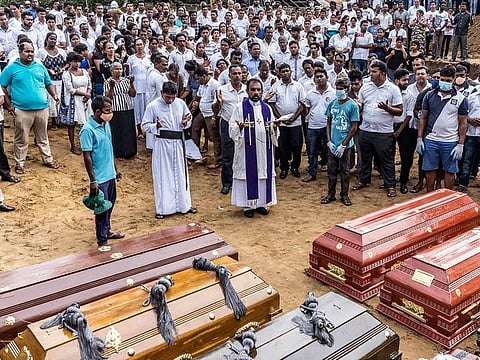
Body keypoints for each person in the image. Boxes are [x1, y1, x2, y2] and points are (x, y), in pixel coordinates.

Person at [0, 41, 60, 174]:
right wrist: (8, 104)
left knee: (43, 136)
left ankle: (47, 159)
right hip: (22, 110)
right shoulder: (11, 68)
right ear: (20, 52)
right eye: (27, 51)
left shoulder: (39, 66)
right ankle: (19, 163)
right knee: (21, 138)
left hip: (42, 108)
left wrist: (54, 94)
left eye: (32, 51)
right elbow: (1, 85)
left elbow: (48, 83)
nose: (30, 54)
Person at [141, 81, 197, 219]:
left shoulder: (180, 103)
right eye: (167, 97)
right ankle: (164, 209)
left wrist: (186, 122)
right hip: (162, 144)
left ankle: (184, 205)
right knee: (163, 175)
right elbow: (145, 125)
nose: (170, 100)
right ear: (162, 93)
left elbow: (187, 118)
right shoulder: (153, 106)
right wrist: (156, 126)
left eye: (173, 97)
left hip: (178, 143)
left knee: (181, 174)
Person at [352, 60, 403, 197]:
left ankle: (390, 185)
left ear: (383, 73)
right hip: (366, 129)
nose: (371, 74)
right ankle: (363, 180)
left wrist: (387, 108)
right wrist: (358, 105)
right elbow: (361, 104)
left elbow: (399, 111)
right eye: (370, 71)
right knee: (365, 158)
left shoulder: (392, 89)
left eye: (374, 72)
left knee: (386, 160)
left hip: (383, 132)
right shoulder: (366, 87)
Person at [79, 95, 124, 247]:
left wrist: (115, 168)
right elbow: (87, 157)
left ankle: (107, 230)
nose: (110, 113)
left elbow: (109, 149)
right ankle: (102, 239)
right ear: (98, 112)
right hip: (100, 177)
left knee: (110, 204)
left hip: (110, 174)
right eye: (107, 110)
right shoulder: (87, 130)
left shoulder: (105, 124)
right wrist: (93, 180)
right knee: (101, 209)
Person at [230, 78, 278, 218]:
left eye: (258, 90)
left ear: (262, 91)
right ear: (247, 91)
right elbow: (231, 127)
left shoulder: (267, 108)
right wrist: (238, 128)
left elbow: (273, 128)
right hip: (246, 150)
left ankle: (261, 203)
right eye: (253, 90)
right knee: (247, 174)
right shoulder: (240, 107)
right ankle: (247, 206)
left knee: (263, 174)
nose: (256, 92)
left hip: (264, 150)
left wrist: (275, 128)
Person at [416, 65, 468, 191]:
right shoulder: (429, 95)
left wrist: (460, 145)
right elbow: (423, 118)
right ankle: (430, 196)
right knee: (429, 169)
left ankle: (447, 196)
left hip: (450, 141)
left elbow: (463, 123)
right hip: (431, 139)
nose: (445, 83)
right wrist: (419, 138)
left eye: (448, 81)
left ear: (454, 80)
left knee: (450, 171)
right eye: (443, 80)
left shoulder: (461, 99)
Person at [322, 76, 359, 206]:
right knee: (331, 170)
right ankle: (331, 194)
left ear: (347, 89)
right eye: (337, 89)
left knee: (344, 171)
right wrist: (329, 141)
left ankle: (344, 194)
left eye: (341, 89)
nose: (339, 91)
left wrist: (343, 145)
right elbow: (328, 122)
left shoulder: (353, 106)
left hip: (346, 145)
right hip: (333, 143)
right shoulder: (333, 103)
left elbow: (354, 127)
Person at [213, 64, 247, 195]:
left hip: (244, 125)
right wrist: (218, 102)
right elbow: (215, 110)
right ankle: (227, 183)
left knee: (243, 154)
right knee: (228, 155)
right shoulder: (222, 90)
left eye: (240, 73)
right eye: (235, 74)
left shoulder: (247, 89)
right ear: (229, 76)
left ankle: (242, 182)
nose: (238, 76)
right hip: (227, 124)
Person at [303, 68, 336, 182]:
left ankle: (332, 172)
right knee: (312, 151)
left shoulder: (334, 93)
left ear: (327, 77)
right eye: (317, 77)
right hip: (313, 126)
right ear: (314, 79)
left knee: (330, 150)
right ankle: (312, 173)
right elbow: (306, 110)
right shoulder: (310, 93)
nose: (319, 79)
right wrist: (302, 108)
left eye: (321, 76)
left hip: (329, 127)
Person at [104, 62, 137, 159]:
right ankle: (119, 153)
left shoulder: (126, 80)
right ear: (111, 71)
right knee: (118, 131)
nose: (119, 71)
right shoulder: (108, 82)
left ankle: (131, 152)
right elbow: (108, 97)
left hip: (128, 108)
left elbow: (133, 94)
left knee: (129, 131)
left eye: (120, 69)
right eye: (116, 69)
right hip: (116, 109)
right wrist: (112, 87)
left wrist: (131, 83)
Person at [61, 52, 92, 155]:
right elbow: (70, 89)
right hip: (74, 100)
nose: (77, 64)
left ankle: (86, 144)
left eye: (79, 61)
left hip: (85, 100)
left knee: (87, 123)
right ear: (70, 62)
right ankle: (73, 145)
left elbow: (89, 84)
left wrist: (87, 94)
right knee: (72, 124)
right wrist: (85, 94)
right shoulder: (66, 74)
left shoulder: (84, 71)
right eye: (75, 61)